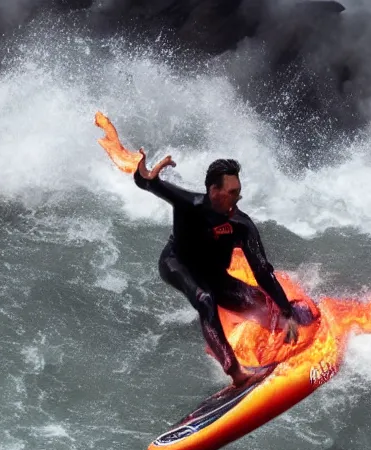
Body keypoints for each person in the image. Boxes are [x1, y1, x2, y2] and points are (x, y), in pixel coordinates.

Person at [133, 150, 310, 388]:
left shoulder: (242, 226)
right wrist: (145, 172)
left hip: (215, 274)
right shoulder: (190, 203)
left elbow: (261, 270)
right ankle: (236, 372)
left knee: (259, 301)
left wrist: (286, 311)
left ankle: (283, 333)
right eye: (232, 193)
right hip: (177, 264)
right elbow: (146, 183)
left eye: (239, 192)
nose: (237, 198)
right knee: (205, 300)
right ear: (214, 191)